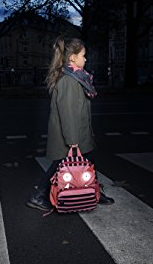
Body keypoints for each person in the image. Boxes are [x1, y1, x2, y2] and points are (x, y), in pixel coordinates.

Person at [26, 36, 114, 211]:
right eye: (83, 55)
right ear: (72, 57)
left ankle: (95, 192)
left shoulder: (76, 77)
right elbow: (67, 112)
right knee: (60, 165)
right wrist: (72, 140)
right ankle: (38, 194)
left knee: (89, 162)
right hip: (72, 135)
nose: (86, 58)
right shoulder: (69, 81)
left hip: (80, 133)